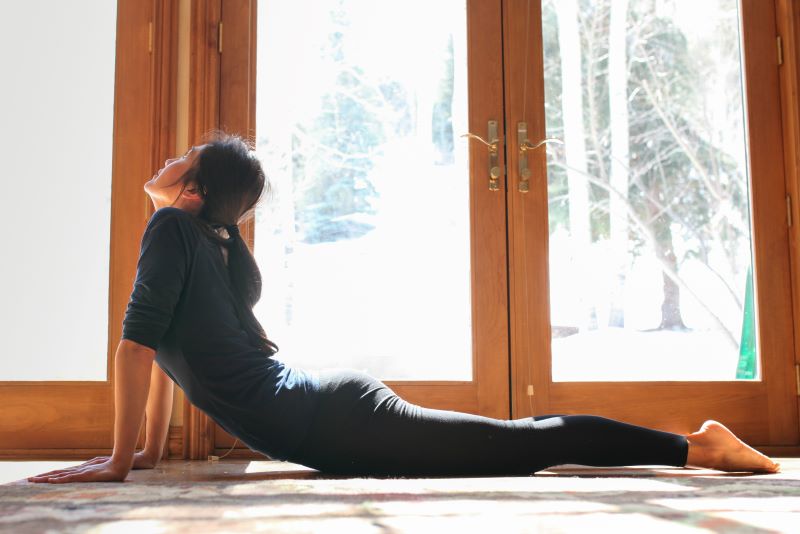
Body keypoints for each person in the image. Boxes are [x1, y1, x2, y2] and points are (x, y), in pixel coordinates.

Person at [29, 132, 780, 484]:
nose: (168, 157)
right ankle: (693, 444)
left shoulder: (172, 229)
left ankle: (697, 446)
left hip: (337, 420)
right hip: (329, 414)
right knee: (517, 447)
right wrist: (145, 454)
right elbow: (156, 352)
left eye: (183, 159)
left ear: (190, 191)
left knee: (523, 447)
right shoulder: (202, 238)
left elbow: (134, 349)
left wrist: (120, 464)